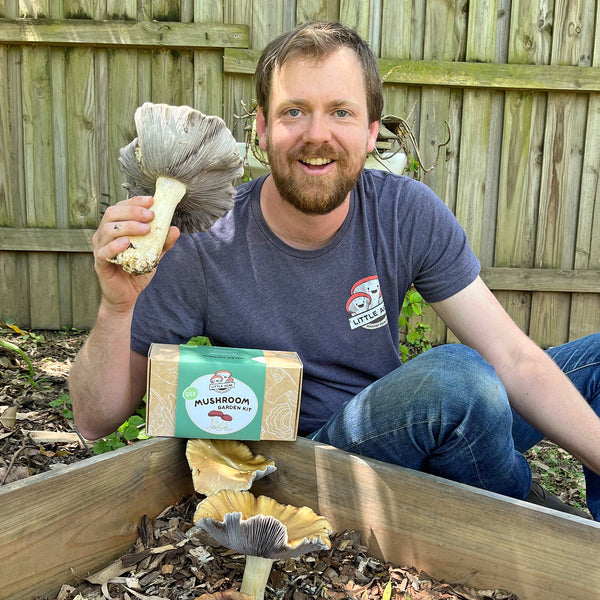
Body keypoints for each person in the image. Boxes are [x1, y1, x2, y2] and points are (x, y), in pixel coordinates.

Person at [70, 21, 600, 520]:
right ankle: (539, 514)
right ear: (261, 128)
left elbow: (513, 356)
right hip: (315, 457)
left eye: (340, 112)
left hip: (405, 415)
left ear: (372, 132)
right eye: (294, 111)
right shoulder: (206, 238)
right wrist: (117, 306)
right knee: (459, 381)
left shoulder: (404, 211)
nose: (316, 135)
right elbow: (95, 420)